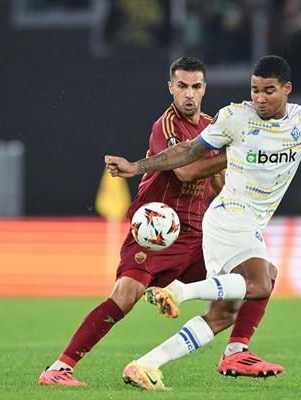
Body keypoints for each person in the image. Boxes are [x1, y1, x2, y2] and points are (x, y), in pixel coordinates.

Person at [105, 54, 301, 389]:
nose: (259, 98)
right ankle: (181, 294)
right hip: (229, 217)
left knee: (227, 311)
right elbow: (187, 152)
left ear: (287, 89)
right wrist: (137, 167)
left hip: (247, 222)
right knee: (261, 282)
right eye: (254, 90)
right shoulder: (235, 117)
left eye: (268, 91)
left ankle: (146, 364)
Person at [38, 56, 279, 387]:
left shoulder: (215, 126)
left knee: (258, 280)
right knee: (124, 297)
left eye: (195, 86)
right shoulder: (166, 126)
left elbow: (219, 182)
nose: (189, 94)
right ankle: (59, 368)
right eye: (182, 86)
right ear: (171, 88)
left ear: (205, 88)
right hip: (158, 230)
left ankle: (235, 351)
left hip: (197, 235)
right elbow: (186, 171)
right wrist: (241, 152)